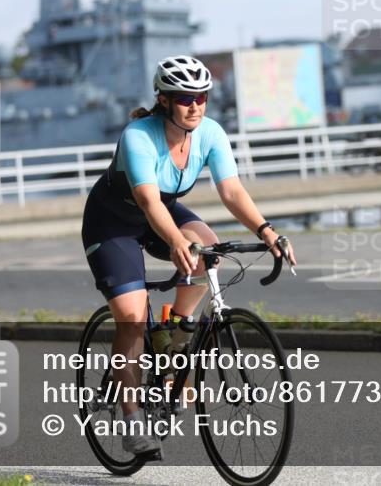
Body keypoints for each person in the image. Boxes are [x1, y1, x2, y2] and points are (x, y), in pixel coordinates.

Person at [81, 54, 296, 456]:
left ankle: (174, 336)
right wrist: (177, 241)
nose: (195, 105)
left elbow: (231, 191)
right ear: (163, 100)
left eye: (201, 97)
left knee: (208, 249)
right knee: (132, 317)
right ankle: (131, 419)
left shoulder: (211, 133)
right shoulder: (138, 136)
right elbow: (148, 200)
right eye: (184, 98)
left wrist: (267, 231)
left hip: (161, 212)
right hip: (112, 223)